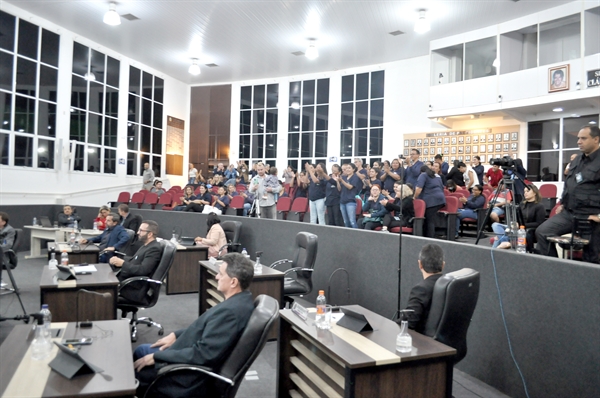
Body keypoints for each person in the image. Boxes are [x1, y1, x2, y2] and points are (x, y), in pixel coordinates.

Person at [132, 253, 254, 397]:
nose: (216, 277)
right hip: (187, 348)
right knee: (141, 350)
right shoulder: (239, 301)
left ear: (233, 282)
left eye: (221, 274)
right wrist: (176, 335)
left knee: (140, 360)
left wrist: (158, 357)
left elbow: (203, 354)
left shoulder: (230, 313)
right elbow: (206, 329)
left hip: (186, 375)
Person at [536, 125, 600, 263]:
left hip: (590, 216)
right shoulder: (576, 160)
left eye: (583, 138)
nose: (579, 141)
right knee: (542, 232)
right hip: (569, 213)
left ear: (596, 139)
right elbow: (569, 184)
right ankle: (554, 270)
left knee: (591, 256)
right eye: (578, 138)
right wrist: (563, 203)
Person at [110, 220, 162, 301]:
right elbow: (135, 259)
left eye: (141, 230)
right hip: (127, 281)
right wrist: (119, 260)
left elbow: (143, 270)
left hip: (132, 288)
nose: (138, 232)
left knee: (101, 289)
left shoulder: (154, 249)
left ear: (150, 234)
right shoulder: (146, 246)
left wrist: (123, 264)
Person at [401, 243, 445, 333]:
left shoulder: (420, 290)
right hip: (450, 344)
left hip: (424, 344)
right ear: (443, 265)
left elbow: (409, 324)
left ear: (420, 264)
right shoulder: (451, 285)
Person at [492, 185, 545, 250]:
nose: (525, 193)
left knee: (497, 238)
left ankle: (492, 256)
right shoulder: (522, 204)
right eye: (524, 191)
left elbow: (539, 223)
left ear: (535, 193)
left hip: (527, 231)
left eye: (528, 191)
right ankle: (504, 241)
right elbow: (514, 216)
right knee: (495, 225)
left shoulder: (539, 206)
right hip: (515, 228)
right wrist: (513, 223)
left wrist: (520, 225)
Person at [414, 165, 446, 238]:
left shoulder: (423, 175)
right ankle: (430, 236)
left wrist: (414, 197)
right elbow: (442, 188)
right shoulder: (437, 176)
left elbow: (419, 188)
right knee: (431, 218)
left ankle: (429, 237)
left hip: (431, 200)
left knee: (429, 219)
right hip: (440, 199)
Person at [336, 163, 361, 228]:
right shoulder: (344, 177)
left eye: (349, 168)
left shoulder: (355, 177)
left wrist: (342, 181)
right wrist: (338, 182)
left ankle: (356, 235)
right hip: (342, 201)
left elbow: (350, 187)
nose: (347, 169)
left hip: (350, 201)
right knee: (346, 222)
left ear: (353, 169)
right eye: (346, 168)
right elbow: (339, 189)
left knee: (352, 221)